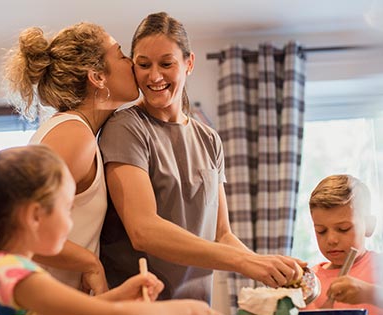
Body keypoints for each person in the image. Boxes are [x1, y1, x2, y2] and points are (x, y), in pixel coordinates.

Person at [99, 11, 305, 303]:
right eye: (143, 65)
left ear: (189, 63)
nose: (154, 76)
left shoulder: (209, 139)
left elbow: (222, 234)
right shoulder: (126, 128)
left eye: (166, 64)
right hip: (141, 307)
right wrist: (245, 263)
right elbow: (143, 230)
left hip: (196, 304)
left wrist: (271, 266)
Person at [0, 145, 221, 315]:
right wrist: (184, 309)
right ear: (35, 216)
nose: (70, 221)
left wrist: (120, 295)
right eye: (67, 208)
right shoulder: (19, 275)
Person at [2, 22, 140, 294]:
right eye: (121, 54)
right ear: (98, 77)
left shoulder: (76, 132)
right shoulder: (75, 136)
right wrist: (91, 265)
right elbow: (20, 228)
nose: (131, 62)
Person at [303, 174, 383, 315]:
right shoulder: (309, 283)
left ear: (369, 225)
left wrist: (370, 294)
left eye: (343, 228)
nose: (331, 240)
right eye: (321, 231)